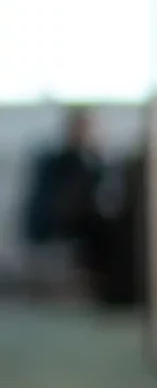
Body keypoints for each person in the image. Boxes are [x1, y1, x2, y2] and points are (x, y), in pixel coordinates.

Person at [19, 107, 103, 298]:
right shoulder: (59, 161)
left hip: (67, 222)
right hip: (50, 223)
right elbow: (60, 204)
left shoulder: (87, 160)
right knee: (98, 227)